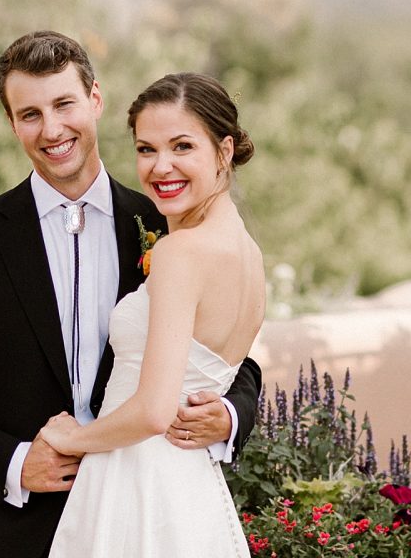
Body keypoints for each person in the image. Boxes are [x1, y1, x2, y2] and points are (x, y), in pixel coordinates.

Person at [0, 31, 262, 558]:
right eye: (30, 114)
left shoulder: (163, 222)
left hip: (139, 515)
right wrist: (15, 462)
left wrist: (230, 413)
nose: (51, 129)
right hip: (10, 530)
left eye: (64, 104)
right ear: (11, 123)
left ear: (95, 100)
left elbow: (231, 352)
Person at [39, 71, 264, 557]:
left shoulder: (180, 253)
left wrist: (74, 438)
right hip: (191, 490)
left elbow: (153, 411)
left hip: (137, 483)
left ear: (224, 151)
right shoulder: (249, 255)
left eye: (182, 146)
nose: (160, 167)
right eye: (146, 149)